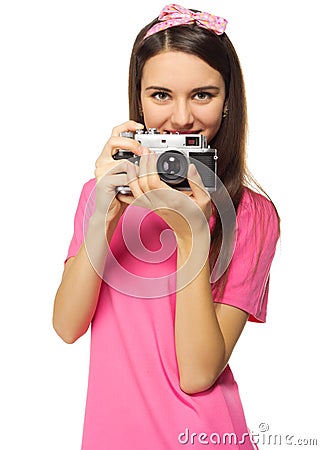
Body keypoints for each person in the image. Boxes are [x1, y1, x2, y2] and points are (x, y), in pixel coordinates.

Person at [53, 4, 280, 449]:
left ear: (228, 99)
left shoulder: (250, 214)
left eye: (202, 95)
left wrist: (191, 234)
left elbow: (198, 374)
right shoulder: (99, 195)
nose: (180, 119)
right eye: (161, 95)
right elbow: (66, 326)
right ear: (138, 99)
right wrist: (106, 210)